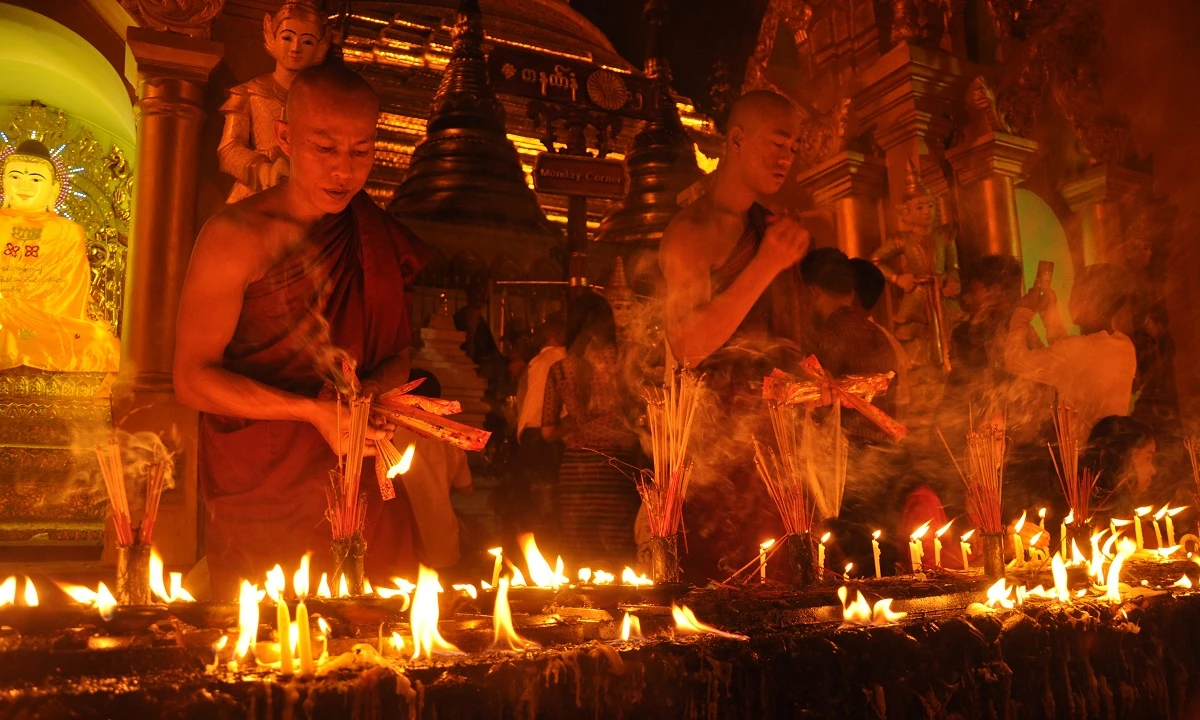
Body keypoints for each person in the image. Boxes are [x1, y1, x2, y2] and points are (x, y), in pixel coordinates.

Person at [174, 65, 427, 600]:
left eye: (361, 151)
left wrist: (369, 399)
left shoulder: (371, 234)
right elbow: (192, 380)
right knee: (267, 649)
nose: (344, 171)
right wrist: (311, 411)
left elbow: (400, 354)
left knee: (381, 640)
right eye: (325, 148)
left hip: (360, 477)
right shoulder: (235, 237)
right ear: (285, 138)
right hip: (268, 486)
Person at [659, 90, 811, 580]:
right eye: (778, 143)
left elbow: (779, 342)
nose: (786, 158)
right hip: (717, 448)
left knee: (789, 587)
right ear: (737, 140)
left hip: (777, 439)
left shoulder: (768, 227)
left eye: (793, 148)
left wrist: (813, 377)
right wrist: (766, 262)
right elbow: (688, 346)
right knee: (726, 586)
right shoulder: (693, 229)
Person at [0, 139, 120, 372]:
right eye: (15, 177)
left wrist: (12, 308)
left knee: (100, 342)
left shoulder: (68, 231)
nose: (24, 186)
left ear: (53, 189)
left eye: (36, 179)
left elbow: (68, 294)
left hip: (48, 321)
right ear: (3, 182)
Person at [541, 292, 640, 568]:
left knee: (578, 562)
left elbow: (548, 432)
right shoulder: (625, 364)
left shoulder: (560, 370)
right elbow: (639, 414)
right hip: (616, 470)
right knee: (619, 562)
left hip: (577, 475)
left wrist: (577, 420)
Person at [1004, 263, 1137, 440]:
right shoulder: (1124, 345)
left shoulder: (1077, 351)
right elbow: (1070, 358)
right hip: (1110, 451)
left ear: (1092, 299)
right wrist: (1048, 310)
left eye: (1077, 291)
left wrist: (1022, 313)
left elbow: (1015, 361)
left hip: (1082, 457)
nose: (1072, 298)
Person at [218, 0, 330, 203]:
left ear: (320, 47)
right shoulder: (250, 92)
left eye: (307, 41)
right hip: (256, 192)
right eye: (287, 37)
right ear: (272, 37)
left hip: (304, 193)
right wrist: (262, 169)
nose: (295, 48)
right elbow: (229, 148)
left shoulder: (323, 102)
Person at [800, 248, 899, 444]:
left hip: (853, 459)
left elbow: (820, 408)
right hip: (883, 456)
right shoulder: (875, 331)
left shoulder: (833, 333)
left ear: (811, 293)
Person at [394, 374, 474, 570]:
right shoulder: (449, 436)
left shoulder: (388, 431)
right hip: (441, 535)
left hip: (401, 538)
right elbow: (467, 489)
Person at [506, 314, 567, 538]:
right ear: (557, 335)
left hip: (528, 440)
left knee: (527, 510)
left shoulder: (536, 363)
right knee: (548, 509)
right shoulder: (561, 358)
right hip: (547, 439)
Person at [1082, 415, 1164, 519]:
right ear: (1124, 457)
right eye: (1148, 458)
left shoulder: (1126, 510)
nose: (1154, 471)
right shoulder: (1095, 517)